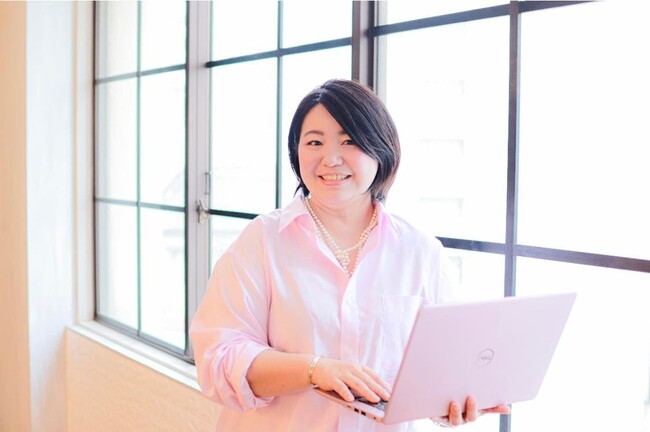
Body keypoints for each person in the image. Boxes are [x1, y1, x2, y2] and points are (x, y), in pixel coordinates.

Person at [190, 79, 510, 431]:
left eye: (349, 141)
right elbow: (219, 359)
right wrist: (314, 370)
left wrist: (448, 405)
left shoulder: (421, 252)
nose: (330, 159)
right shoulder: (261, 241)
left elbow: (441, 370)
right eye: (314, 142)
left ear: (381, 150)